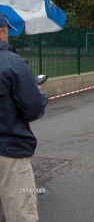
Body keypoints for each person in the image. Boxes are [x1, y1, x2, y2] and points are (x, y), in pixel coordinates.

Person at [0, 12, 48, 222]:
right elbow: (33, 109)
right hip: (9, 152)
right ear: (2, 31)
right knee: (20, 214)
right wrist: (38, 93)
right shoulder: (13, 63)